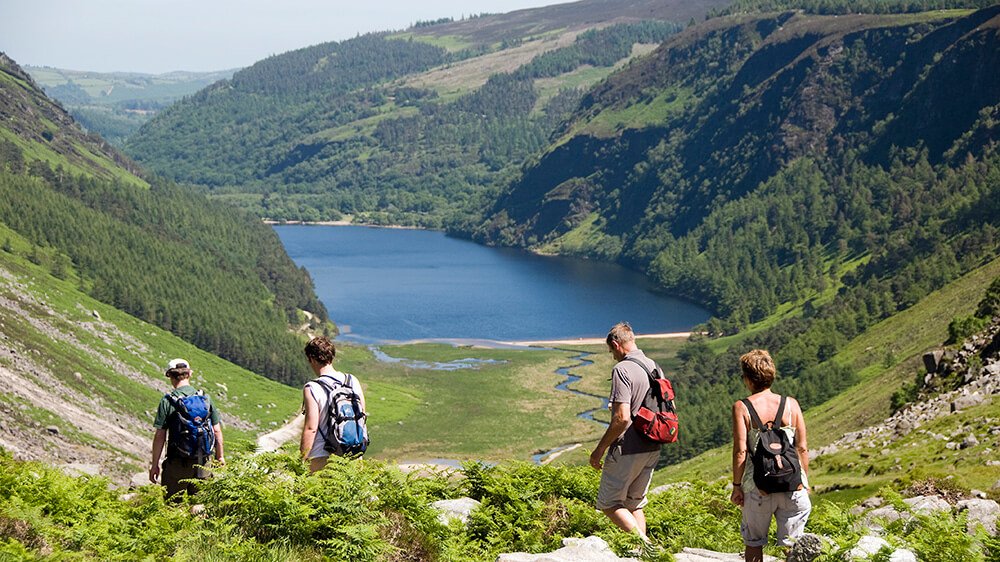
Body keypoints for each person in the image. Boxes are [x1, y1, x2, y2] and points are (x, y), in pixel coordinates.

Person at [730, 349, 811, 562]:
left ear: (748, 379)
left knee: (754, 542)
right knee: (792, 546)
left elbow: (740, 451)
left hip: (758, 488)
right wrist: (804, 481)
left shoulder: (742, 407)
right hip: (792, 486)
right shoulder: (791, 404)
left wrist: (737, 486)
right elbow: (802, 448)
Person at [589, 322, 662, 543]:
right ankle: (644, 555)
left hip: (628, 447)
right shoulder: (654, 366)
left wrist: (599, 450)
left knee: (609, 503)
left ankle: (647, 546)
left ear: (615, 344)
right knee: (634, 503)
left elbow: (622, 418)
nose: (612, 356)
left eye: (611, 351)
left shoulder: (622, 369)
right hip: (652, 445)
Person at [149, 358, 224, 497]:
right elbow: (217, 431)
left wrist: (155, 465)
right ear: (189, 374)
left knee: (173, 504)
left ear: (170, 376)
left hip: (177, 463)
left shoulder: (168, 401)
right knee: (200, 503)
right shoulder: (205, 398)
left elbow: (160, 436)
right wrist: (220, 457)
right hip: (203, 462)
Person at [300, 335, 367, 472]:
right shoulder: (351, 380)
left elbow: (311, 428)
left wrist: (300, 461)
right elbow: (362, 415)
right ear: (331, 357)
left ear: (312, 359)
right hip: (353, 454)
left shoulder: (312, 387)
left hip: (322, 456)